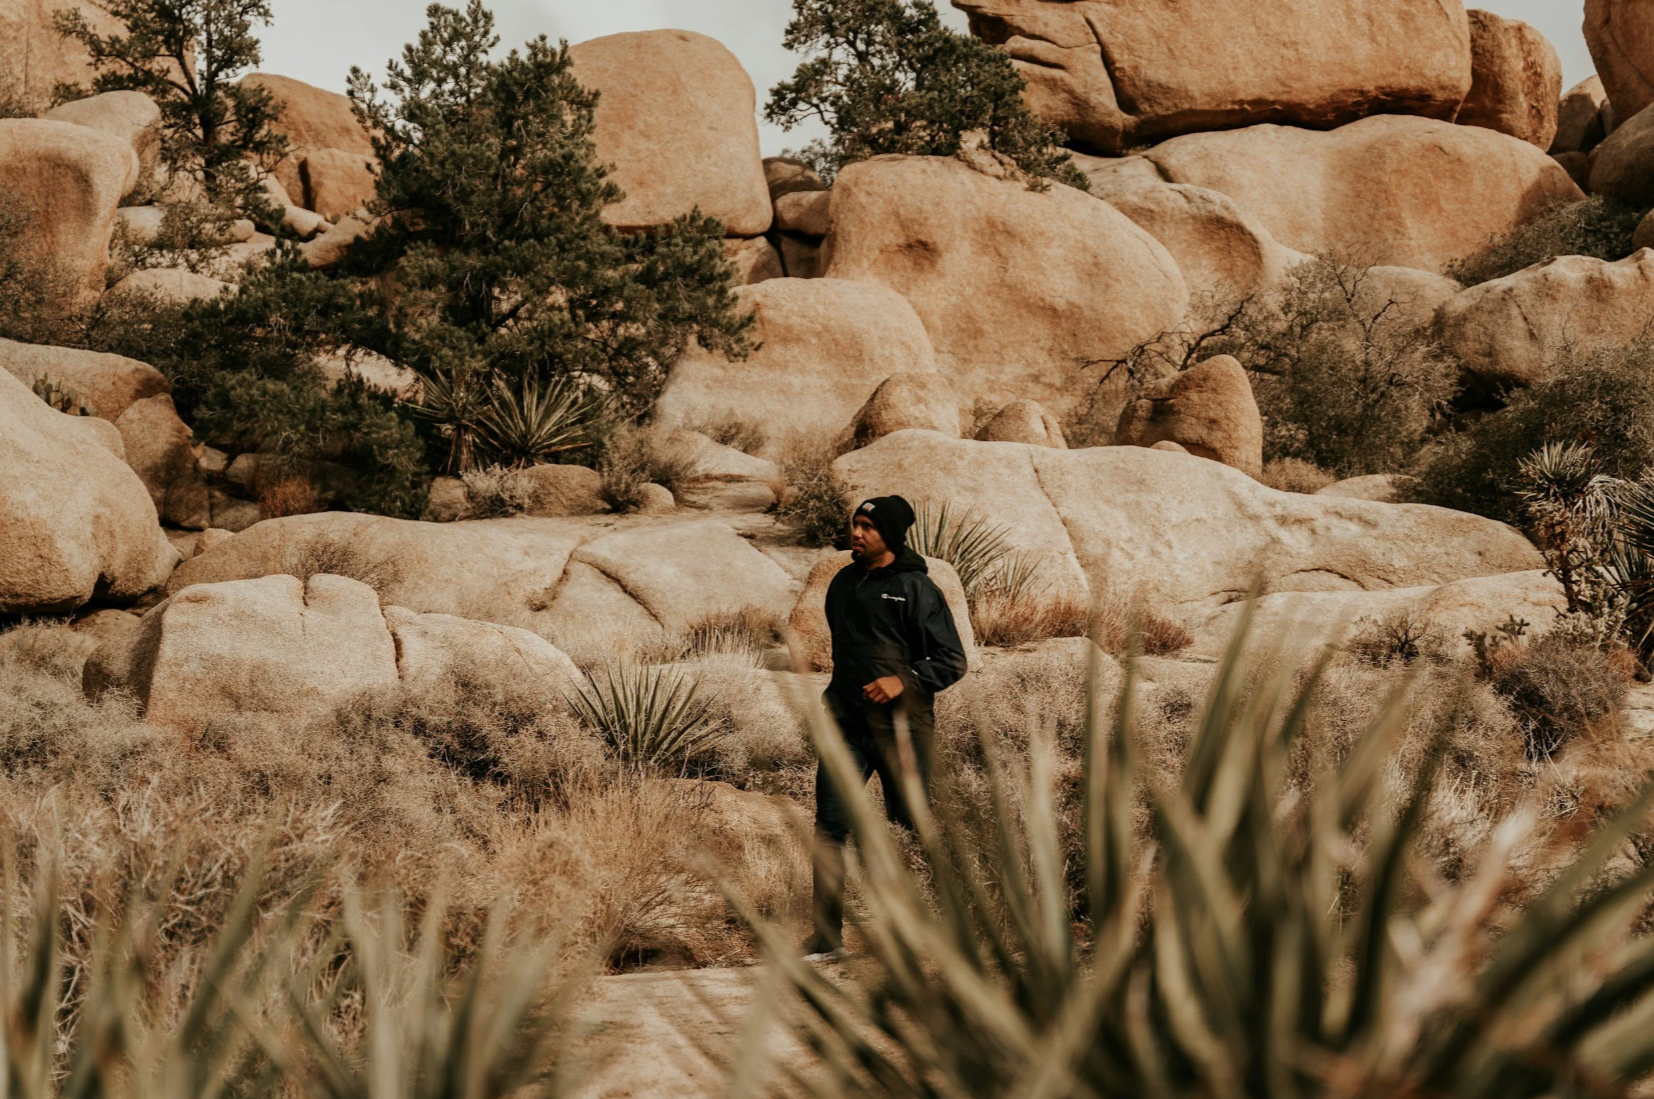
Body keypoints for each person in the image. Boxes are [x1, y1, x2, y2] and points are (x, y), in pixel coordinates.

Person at [803, 495, 968, 960]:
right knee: (830, 828)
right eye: (855, 523)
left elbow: (952, 660)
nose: (856, 533)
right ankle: (826, 937)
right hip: (846, 725)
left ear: (890, 534)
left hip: (903, 730)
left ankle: (917, 936)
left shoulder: (917, 588)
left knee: (908, 828)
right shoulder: (844, 582)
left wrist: (904, 680)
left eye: (867, 526)